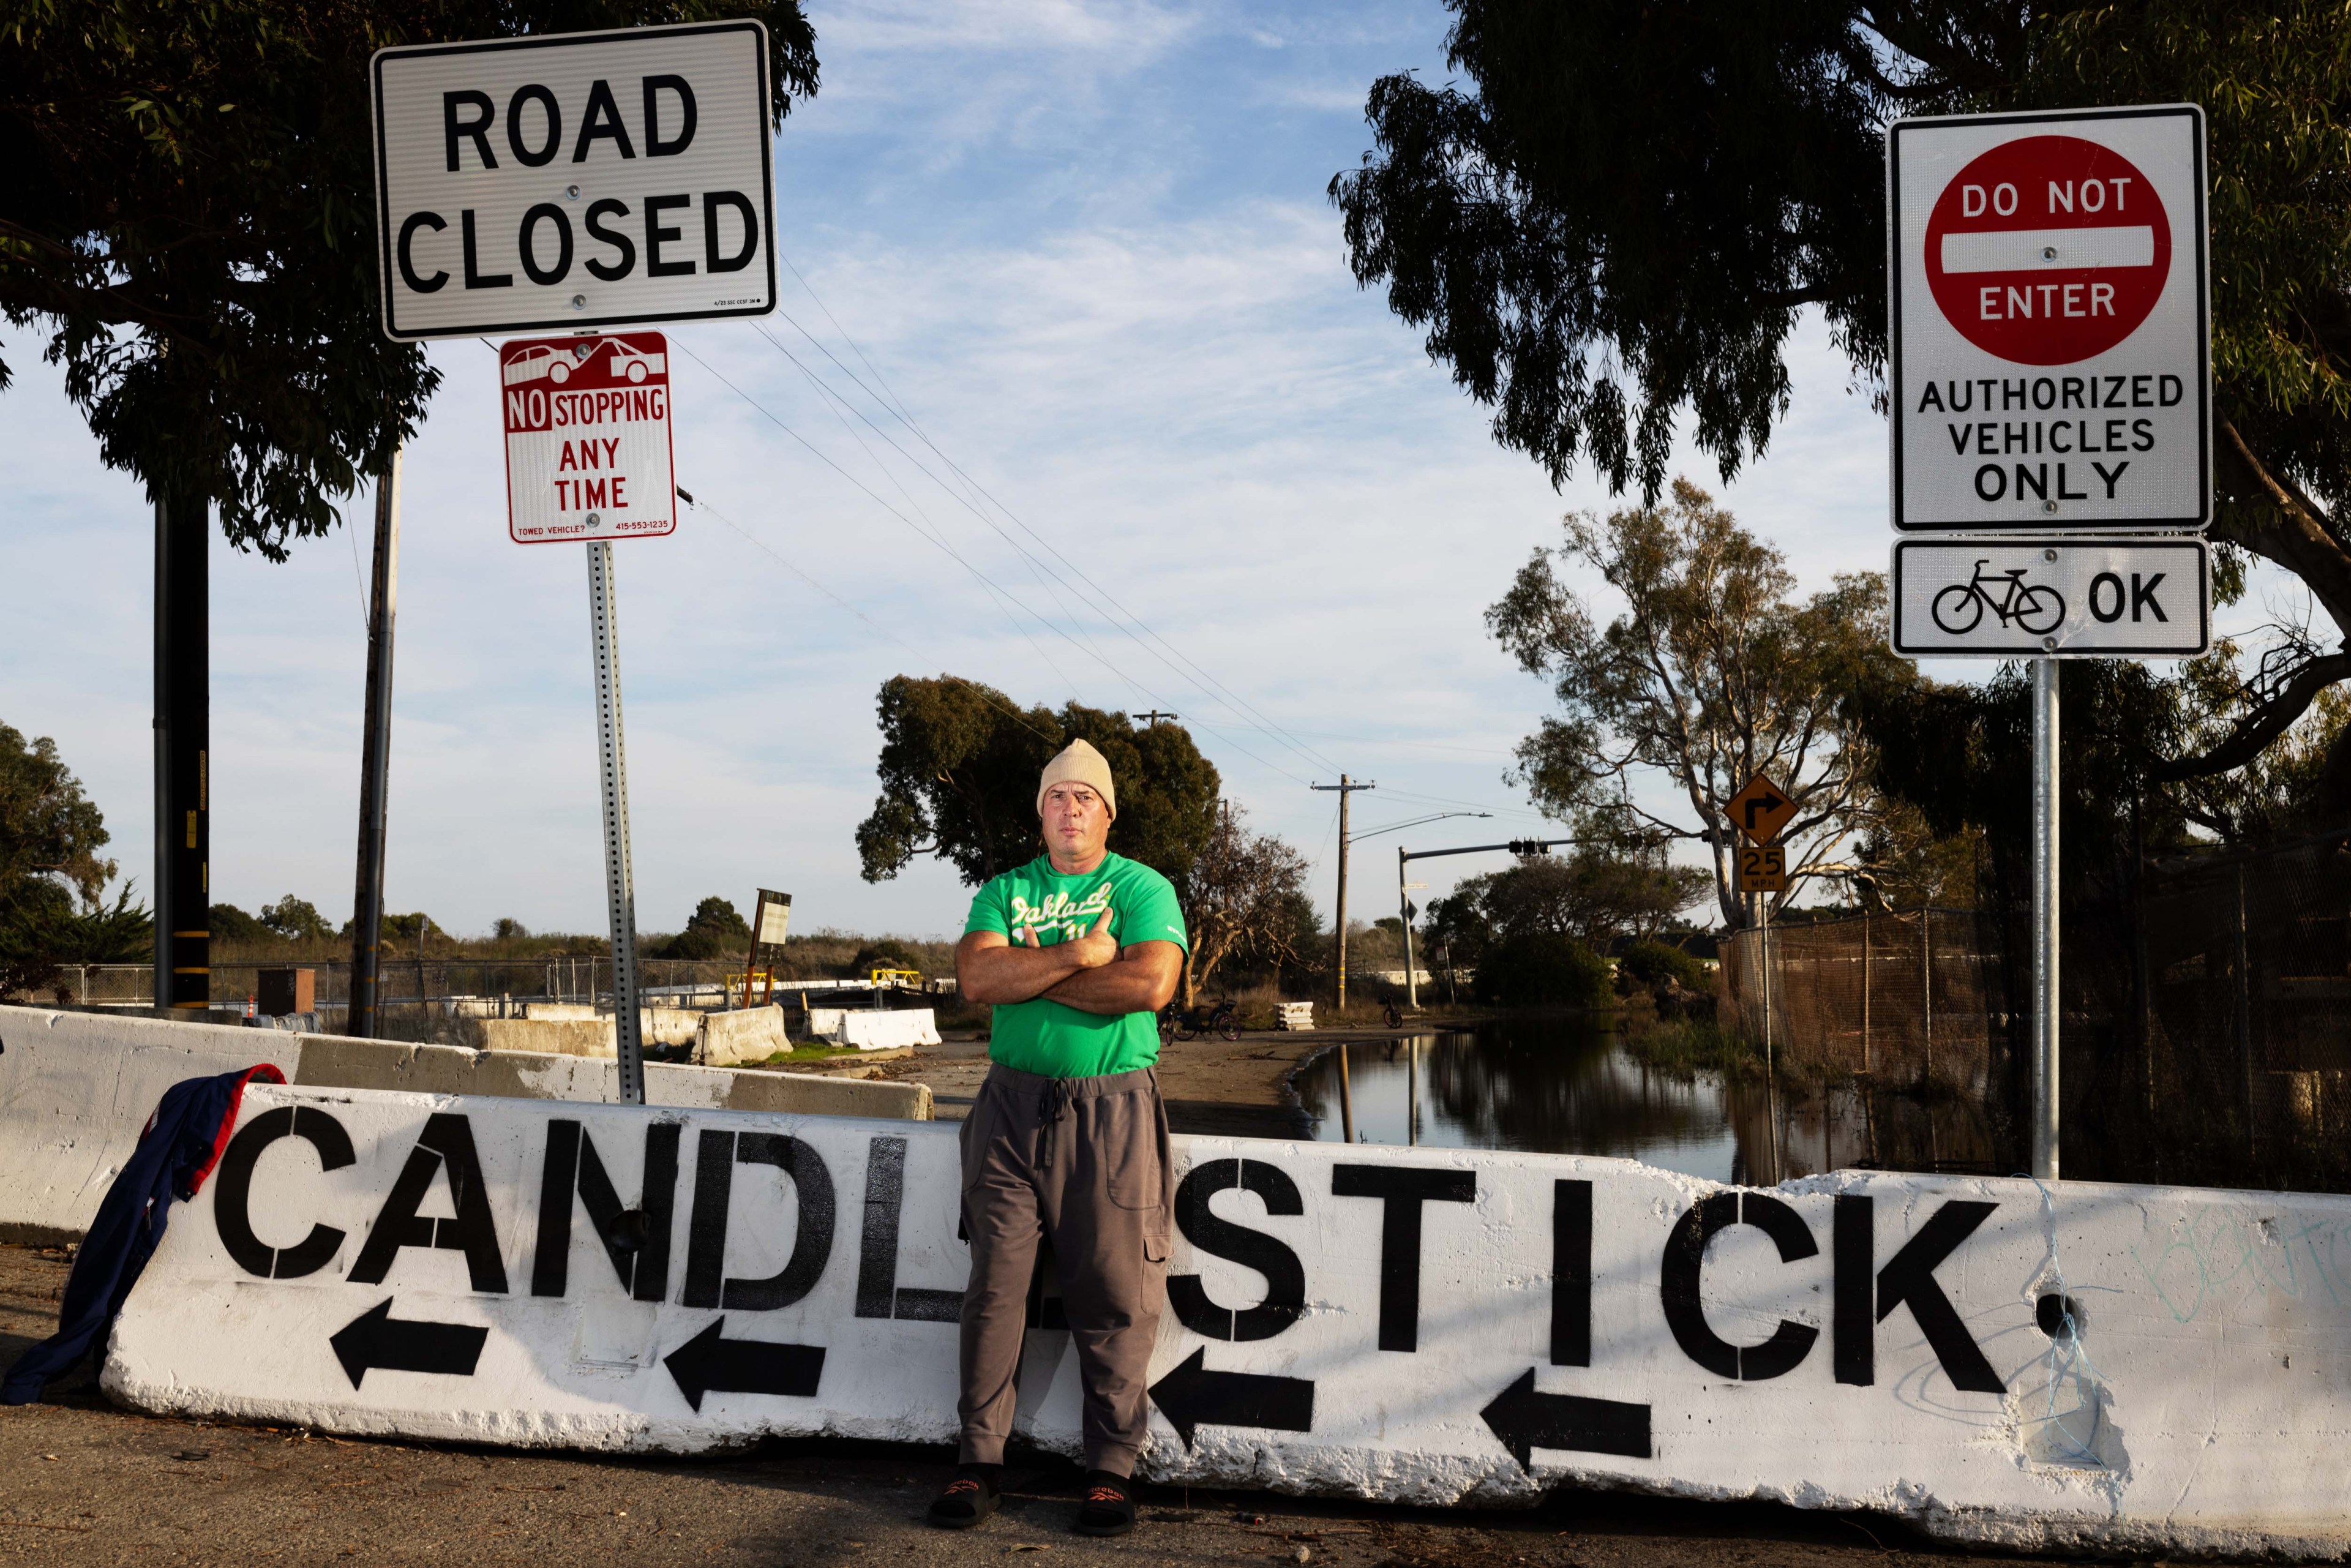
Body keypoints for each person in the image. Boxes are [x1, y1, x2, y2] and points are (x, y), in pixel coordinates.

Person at [927, 738, 1187, 1539]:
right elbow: (977, 981)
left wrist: (1030, 974)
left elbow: (1148, 984)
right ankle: (979, 1459)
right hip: (1008, 1110)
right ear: (1039, 810)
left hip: (1111, 1113)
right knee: (996, 1290)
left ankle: (1108, 1471)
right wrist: (1078, 954)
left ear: (1107, 811)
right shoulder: (1005, 889)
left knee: (1115, 1291)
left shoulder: (1141, 886)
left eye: (1084, 796)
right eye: (1056, 796)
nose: (1069, 807)